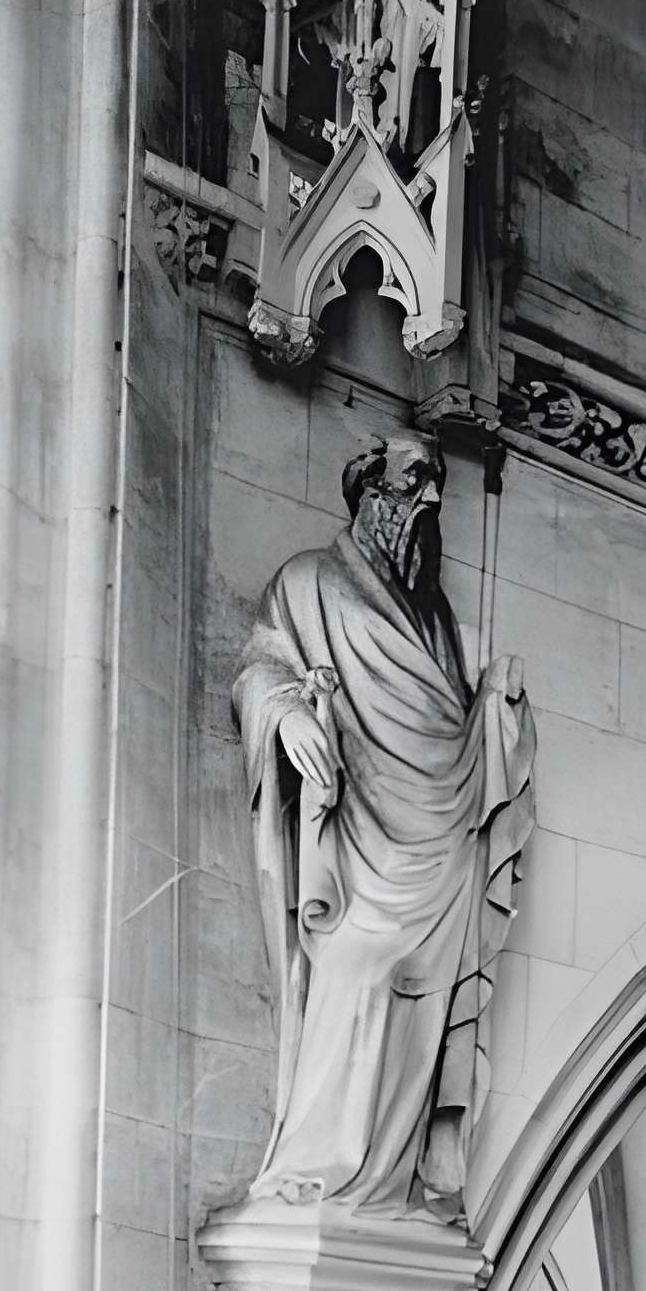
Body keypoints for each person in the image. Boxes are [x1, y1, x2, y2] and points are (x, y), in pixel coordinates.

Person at [230, 432, 534, 1222]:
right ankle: (323, 1168)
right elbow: (261, 667)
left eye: (436, 485)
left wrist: (494, 714)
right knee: (356, 971)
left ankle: (391, 1179)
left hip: (438, 841)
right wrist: (287, 714)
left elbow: (449, 728)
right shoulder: (309, 582)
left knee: (421, 1014)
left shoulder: (431, 614)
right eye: (416, 482)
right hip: (361, 841)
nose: (430, 500)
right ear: (371, 489)